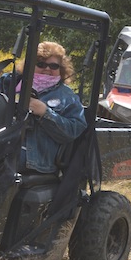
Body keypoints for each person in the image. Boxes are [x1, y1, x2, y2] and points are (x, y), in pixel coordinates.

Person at [19, 42, 87, 175]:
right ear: (30, 65)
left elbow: (75, 130)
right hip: (1, 152)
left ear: (61, 69)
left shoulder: (67, 96)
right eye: (41, 64)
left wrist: (45, 113)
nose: (47, 69)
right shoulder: (12, 83)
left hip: (34, 162)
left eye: (54, 66)